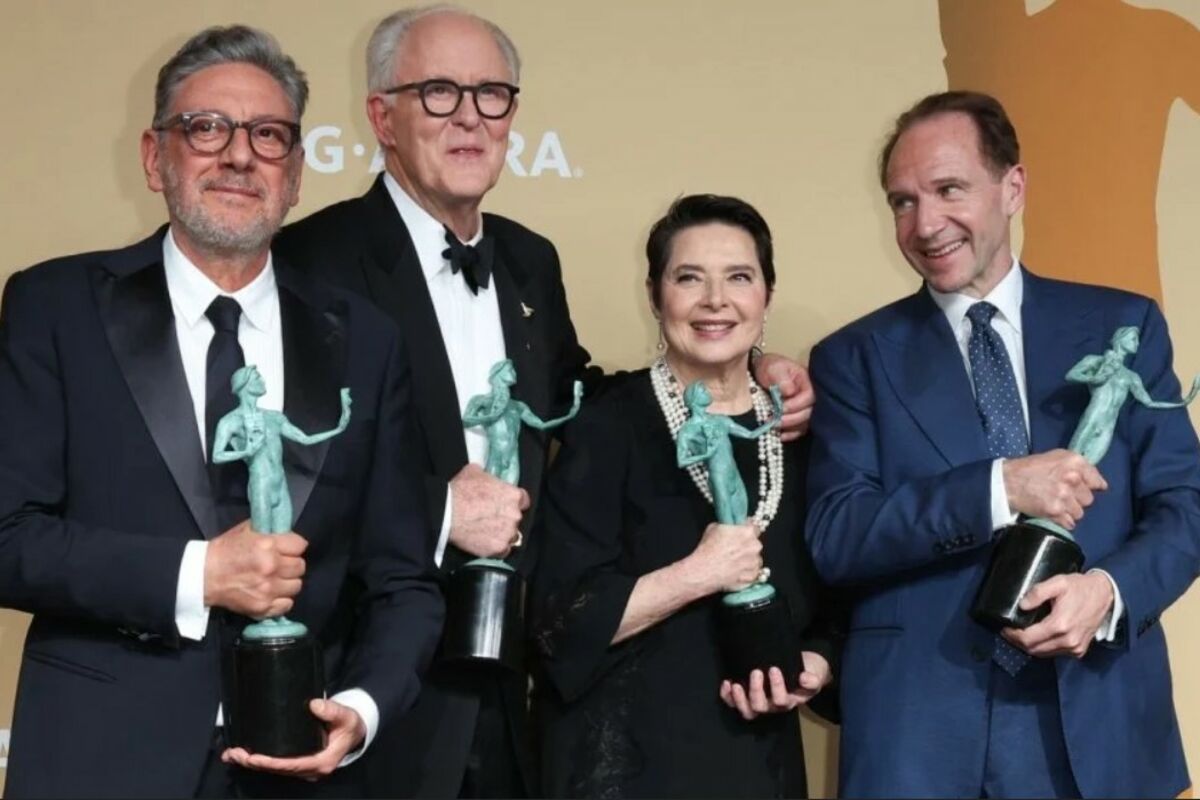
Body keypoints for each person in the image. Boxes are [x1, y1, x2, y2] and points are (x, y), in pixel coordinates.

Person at [273, 7, 816, 797]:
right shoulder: (313, 259)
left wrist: (744, 365)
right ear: (381, 117)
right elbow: (281, 461)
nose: (469, 116)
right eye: (438, 92)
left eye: (491, 94)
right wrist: (437, 510)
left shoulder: (528, 259)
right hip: (363, 681)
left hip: (506, 684)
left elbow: (583, 400)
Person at [0, 26, 442, 798]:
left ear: (295, 175)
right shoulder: (55, 308)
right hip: (96, 763)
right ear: (154, 158)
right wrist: (200, 574)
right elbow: (9, 537)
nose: (240, 155)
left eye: (268, 135)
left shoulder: (365, 342)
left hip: (301, 768)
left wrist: (364, 709)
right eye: (206, 128)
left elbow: (403, 578)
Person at [805, 90, 1200, 798]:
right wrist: (999, 487)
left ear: (1012, 187)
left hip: (1099, 727)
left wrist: (1108, 592)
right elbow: (838, 535)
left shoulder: (1123, 326)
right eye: (902, 201)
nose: (925, 224)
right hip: (920, 740)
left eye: (948, 189)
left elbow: (1187, 505)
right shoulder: (852, 358)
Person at [530, 194, 838, 799]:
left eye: (739, 277)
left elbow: (839, 604)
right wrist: (699, 573)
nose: (715, 300)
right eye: (689, 278)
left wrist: (818, 665)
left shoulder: (801, 434)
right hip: (621, 768)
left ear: (767, 295)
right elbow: (556, 623)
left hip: (758, 766)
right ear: (655, 295)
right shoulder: (606, 426)